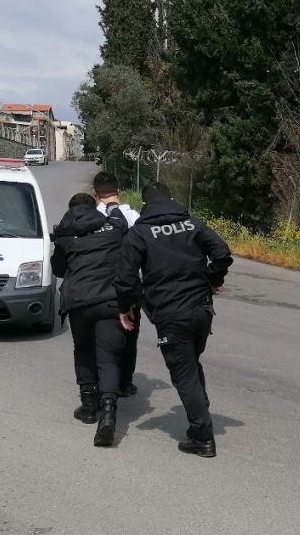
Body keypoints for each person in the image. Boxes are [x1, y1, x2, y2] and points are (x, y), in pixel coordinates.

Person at [113, 182, 233, 458]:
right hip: (202, 309)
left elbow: (125, 279)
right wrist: (212, 279)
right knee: (191, 364)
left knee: (184, 373)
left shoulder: (139, 233)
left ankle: (202, 437)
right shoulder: (192, 223)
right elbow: (222, 253)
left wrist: (125, 307)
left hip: (170, 312)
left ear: (145, 204)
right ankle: (200, 408)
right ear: (171, 199)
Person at [51, 193, 130, 447]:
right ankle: (108, 414)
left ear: (71, 210)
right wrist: (113, 206)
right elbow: (122, 224)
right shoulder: (114, 227)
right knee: (108, 357)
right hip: (109, 299)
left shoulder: (65, 234)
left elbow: (58, 270)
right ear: (94, 207)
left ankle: (88, 407)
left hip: (80, 302)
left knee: (84, 350)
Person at [92, 171, 142, 398]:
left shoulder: (91, 216)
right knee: (130, 335)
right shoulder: (133, 216)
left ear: (95, 193)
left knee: (98, 338)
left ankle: (100, 382)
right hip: (131, 284)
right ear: (118, 192)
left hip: (99, 284)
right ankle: (125, 382)